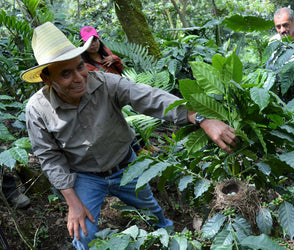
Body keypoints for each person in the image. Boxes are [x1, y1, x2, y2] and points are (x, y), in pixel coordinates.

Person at [21, 22, 237, 249]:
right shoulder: (37, 109)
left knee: (154, 215)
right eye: (66, 74)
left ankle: (172, 240)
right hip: (84, 177)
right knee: (83, 234)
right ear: (47, 79)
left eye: (80, 67)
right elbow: (49, 157)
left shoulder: (106, 83)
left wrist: (200, 118)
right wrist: (72, 201)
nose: (79, 77)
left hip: (125, 165)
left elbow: (150, 98)